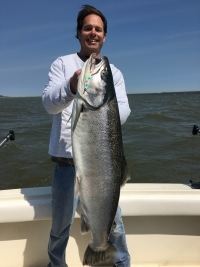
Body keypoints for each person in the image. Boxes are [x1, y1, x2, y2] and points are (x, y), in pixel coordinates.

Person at [42, 4, 131, 267]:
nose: (93, 33)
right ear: (79, 33)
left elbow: (124, 110)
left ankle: (121, 262)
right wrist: (72, 86)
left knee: (115, 227)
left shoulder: (113, 72)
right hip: (65, 165)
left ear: (105, 36)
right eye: (88, 28)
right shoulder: (62, 63)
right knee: (59, 228)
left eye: (99, 29)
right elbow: (48, 103)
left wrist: (101, 108)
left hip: (103, 167)